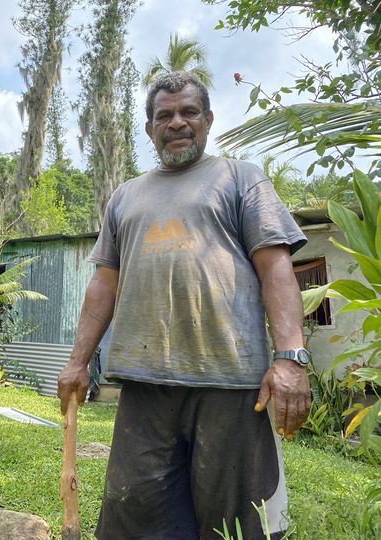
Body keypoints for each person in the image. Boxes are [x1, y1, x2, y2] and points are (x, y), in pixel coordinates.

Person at [57, 71, 312, 540]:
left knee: (237, 526)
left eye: (188, 112)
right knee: (134, 518)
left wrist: (290, 357)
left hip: (232, 387)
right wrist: (77, 362)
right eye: (164, 116)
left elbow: (276, 268)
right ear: (149, 128)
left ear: (208, 119)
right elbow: (103, 285)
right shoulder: (125, 196)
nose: (177, 123)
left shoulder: (241, 179)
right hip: (144, 385)